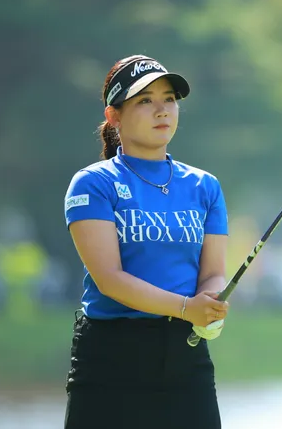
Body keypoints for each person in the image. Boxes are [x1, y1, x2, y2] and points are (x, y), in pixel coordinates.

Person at [62, 54, 231, 429]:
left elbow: (213, 273)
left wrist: (210, 302)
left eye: (169, 99)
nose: (162, 110)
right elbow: (110, 279)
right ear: (114, 116)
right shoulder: (93, 184)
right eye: (144, 100)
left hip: (186, 358)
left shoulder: (205, 186)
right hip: (110, 361)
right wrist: (187, 308)